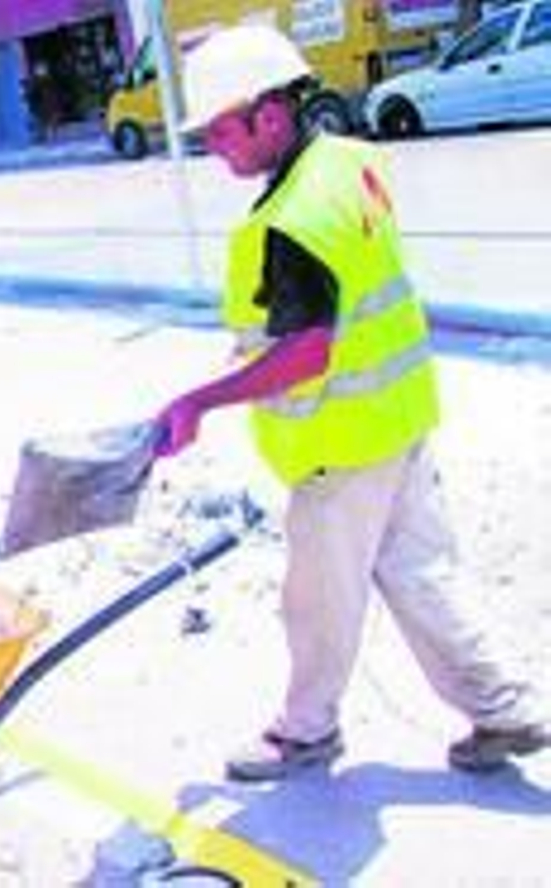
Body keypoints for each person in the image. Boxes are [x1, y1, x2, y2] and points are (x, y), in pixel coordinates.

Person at [151, 25, 547, 782]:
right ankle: (504, 708)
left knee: (316, 603)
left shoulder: (290, 222)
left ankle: (305, 733)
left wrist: (201, 400)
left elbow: (309, 350)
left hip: (343, 446)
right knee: (422, 572)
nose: (213, 149)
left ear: (270, 115)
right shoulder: (346, 162)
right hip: (399, 418)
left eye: (220, 131)